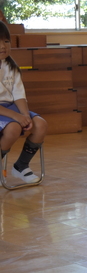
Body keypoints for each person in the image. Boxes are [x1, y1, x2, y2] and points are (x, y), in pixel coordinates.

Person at [0, 21, 47, 183]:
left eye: (6, 41)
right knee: (13, 128)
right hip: (3, 112)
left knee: (40, 124)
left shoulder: (11, 66)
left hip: (11, 107)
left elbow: (19, 94)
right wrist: (17, 117)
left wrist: (25, 115)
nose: (3, 46)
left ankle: (21, 166)